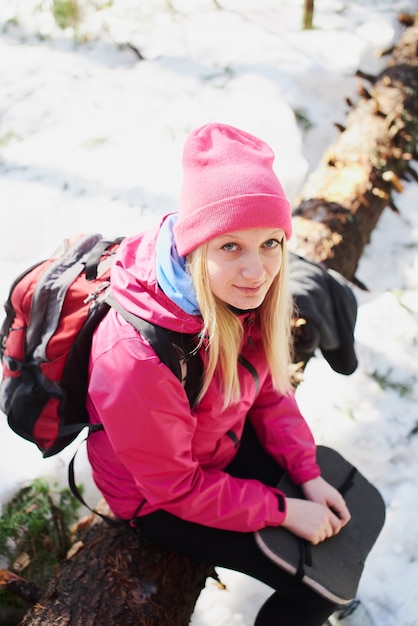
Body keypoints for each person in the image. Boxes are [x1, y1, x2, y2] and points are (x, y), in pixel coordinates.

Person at [86, 122, 351, 626]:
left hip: (215, 438)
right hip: (156, 496)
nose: (258, 270)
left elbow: (269, 391)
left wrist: (306, 471)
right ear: (194, 246)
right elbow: (175, 486)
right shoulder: (133, 359)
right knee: (316, 594)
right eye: (231, 246)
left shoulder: (240, 293)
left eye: (271, 242)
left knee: (330, 564)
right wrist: (283, 509)